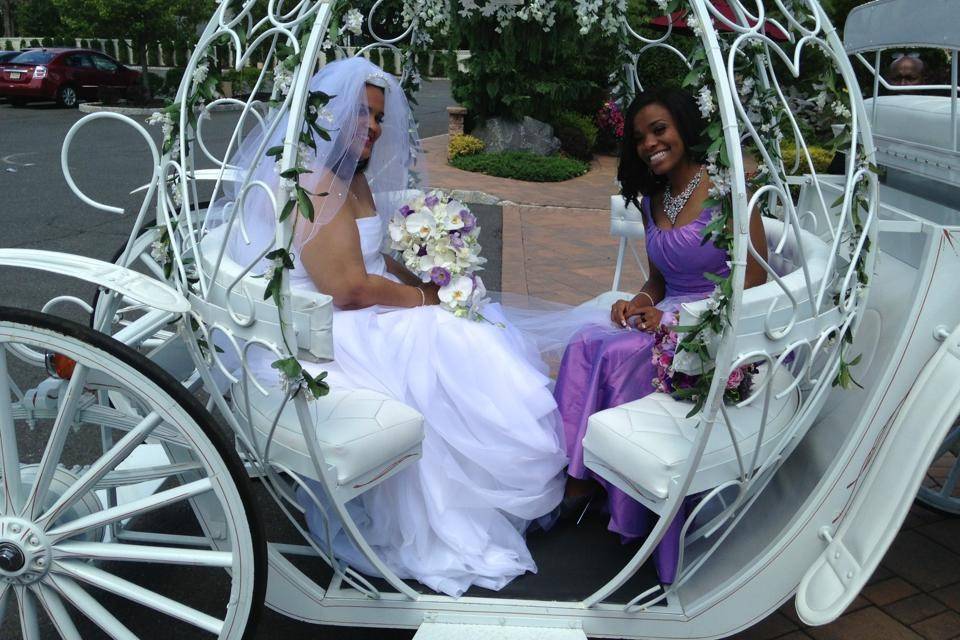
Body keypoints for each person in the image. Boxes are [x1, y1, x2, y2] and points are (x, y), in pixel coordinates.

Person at [222, 57, 568, 598]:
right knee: (450, 338)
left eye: (380, 118)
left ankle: (494, 488)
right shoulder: (313, 181)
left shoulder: (348, 179)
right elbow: (349, 288)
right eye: (363, 114)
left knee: (472, 321)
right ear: (330, 115)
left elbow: (375, 258)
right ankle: (471, 499)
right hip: (334, 328)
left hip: (362, 311)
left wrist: (440, 281)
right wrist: (422, 298)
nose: (375, 128)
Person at [553, 87, 769, 584]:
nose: (650, 143)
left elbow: (752, 285)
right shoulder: (653, 200)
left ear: (684, 129)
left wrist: (675, 323)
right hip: (666, 314)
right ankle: (580, 471)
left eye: (659, 130)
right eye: (640, 138)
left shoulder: (728, 190)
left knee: (620, 354)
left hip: (710, 326)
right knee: (588, 342)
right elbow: (658, 281)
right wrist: (639, 303)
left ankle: (592, 489)